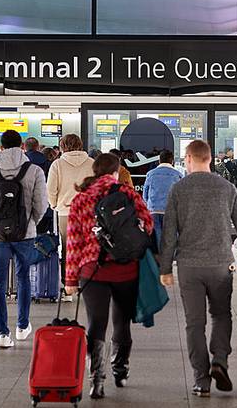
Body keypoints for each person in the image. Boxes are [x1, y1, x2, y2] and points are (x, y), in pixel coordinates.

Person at [160, 140, 237, 397]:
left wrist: (165, 268)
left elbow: (168, 234)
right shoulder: (227, 188)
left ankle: (201, 380)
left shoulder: (178, 189)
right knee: (221, 315)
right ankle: (219, 359)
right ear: (209, 159)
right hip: (221, 265)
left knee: (194, 323)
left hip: (189, 267)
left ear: (188, 159)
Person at [64, 154, 154, 399]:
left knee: (96, 323)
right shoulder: (128, 194)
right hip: (126, 268)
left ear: (94, 171)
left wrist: (70, 279)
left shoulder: (81, 198)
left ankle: (96, 379)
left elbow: (74, 242)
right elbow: (148, 225)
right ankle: (120, 369)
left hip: (92, 270)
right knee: (121, 322)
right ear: (116, 172)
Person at [0, 129, 48, 348]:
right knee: (23, 277)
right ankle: (22, 327)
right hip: (25, 235)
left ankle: (3, 334)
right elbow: (41, 205)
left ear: (1, 147)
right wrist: (30, 222)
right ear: (22, 146)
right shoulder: (34, 170)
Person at [47, 133, 95, 301]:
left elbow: (51, 189)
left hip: (66, 212)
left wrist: (54, 205)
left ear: (62, 146)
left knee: (68, 251)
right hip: (88, 213)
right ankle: (88, 285)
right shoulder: (92, 163)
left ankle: (69, 289)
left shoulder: (57, 164)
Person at [142, 149, 182, 250]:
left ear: (159, 161)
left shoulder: (150, 174)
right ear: (172, 161)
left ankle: (160, 256)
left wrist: (149, 204)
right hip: (171, 210)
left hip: (154, 210)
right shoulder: (178, 175)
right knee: (170, 237)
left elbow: (145, 194)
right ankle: (169, 256)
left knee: (157, 237)